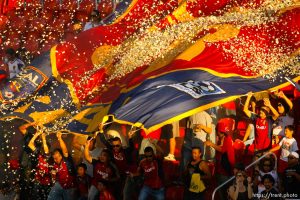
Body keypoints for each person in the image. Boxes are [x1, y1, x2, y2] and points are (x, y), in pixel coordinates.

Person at [204, 118, 235, 200]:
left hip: (225, 173)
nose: (216, 133)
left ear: (220, 131)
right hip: (220, 171)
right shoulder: (221, 139)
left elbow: (222, 149)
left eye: (217, 131)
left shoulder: (228, 139)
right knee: (221, 194)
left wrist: (210, 144)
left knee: (225, 195)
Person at [243, 92, 279, 156]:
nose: (261, 111)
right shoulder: (256, 118)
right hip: (257, 149)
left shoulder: (269, 120)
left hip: (267, 149)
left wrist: (269, 105)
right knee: (256, 165)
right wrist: (249, 97)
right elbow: (245, 110)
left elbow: (277, 115)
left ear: (267, 112)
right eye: (261, 110)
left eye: (263, 110)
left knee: (265, 165)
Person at [48, 132, 77, 200]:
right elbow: (54, 178)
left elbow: (65, 151)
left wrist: (60, 138)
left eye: (57, 158)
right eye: (54, 158)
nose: (55, 160)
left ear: (61, 156)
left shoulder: (66, 161)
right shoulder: (55, 165)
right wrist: (53, 175)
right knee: (51, 198)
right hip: (60, 185)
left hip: (70, 187)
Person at [27, 130, 52, 200]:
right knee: (35, 197)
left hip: (46, 182)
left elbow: (46, 150)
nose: (44, 149)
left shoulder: (49, 156)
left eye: (45, 146)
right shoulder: (39, 154)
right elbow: (30, 144)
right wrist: (36, 134)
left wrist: (44, 139)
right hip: (37, 181)